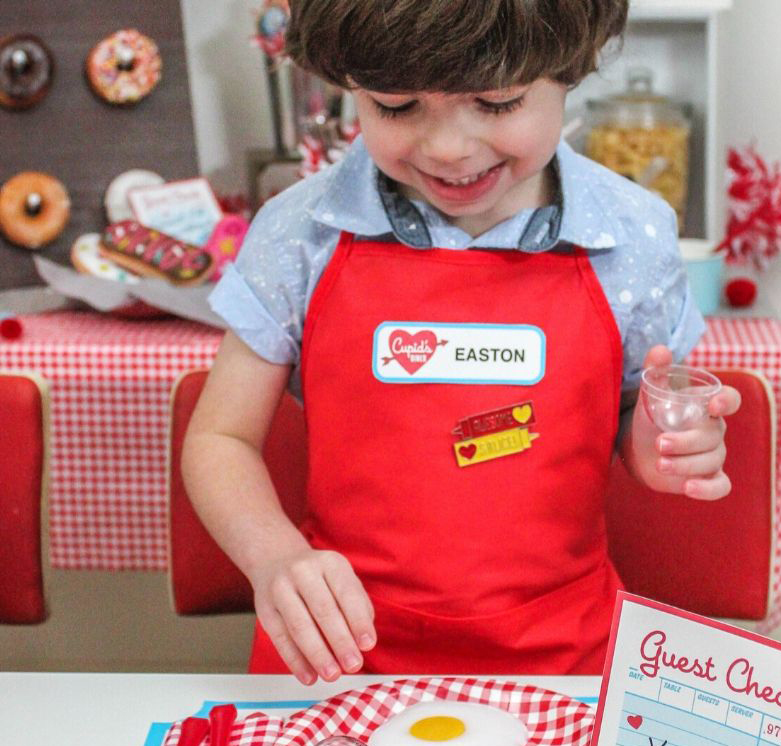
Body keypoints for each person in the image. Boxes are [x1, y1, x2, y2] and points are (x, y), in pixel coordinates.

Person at [183, 0, 737, 684]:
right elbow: (220, 439)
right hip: (342, 656)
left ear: (569, 69)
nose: (448, 146)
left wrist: (661, 446)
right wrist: (273, 557)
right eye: (395, 106)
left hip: (564, 661)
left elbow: (632, 415)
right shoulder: (302, 233)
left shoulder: (634, 235)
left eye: (497, 102)